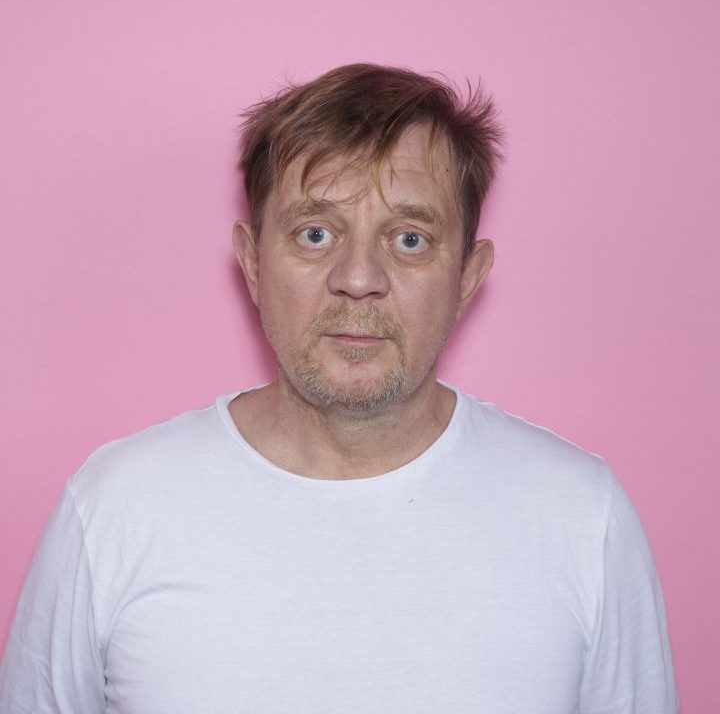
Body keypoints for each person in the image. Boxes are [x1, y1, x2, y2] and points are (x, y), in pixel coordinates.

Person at [0, 63, 679, 713]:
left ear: (468, 276)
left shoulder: (582, 517)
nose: (358, 278)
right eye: (316, 233)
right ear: (253, 262)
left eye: (409, 239)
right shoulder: (113, 509)